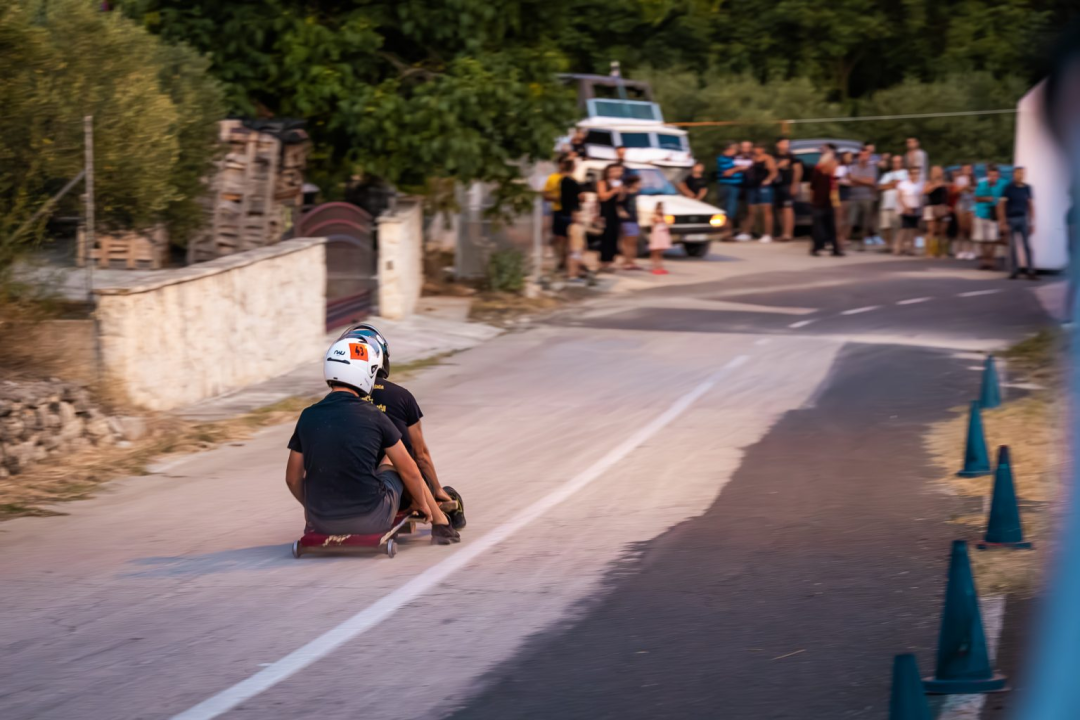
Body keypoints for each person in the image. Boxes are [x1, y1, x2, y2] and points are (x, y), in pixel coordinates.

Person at [285, 338, 460, 544]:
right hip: (372, 518)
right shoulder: (374, 415)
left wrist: (313, 509)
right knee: (390, 459)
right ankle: (439, 523)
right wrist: (421, 503)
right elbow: (410, 471)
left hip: (322, 520)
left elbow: (293, 478)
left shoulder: (307, 415)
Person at [338, 324, 468, 528]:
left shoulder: (336, 403)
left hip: (349, 491)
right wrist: (436, 489)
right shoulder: (401, 396)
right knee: (402, 460)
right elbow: (420, 455)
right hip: (403, 492)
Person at [1000, 166, 1037, 280]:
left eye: (1021, 173)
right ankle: (1014, 271)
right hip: (1011, 219)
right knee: (1012, 246)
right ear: (1013, 174)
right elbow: (1002, 205)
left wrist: (1032, 222)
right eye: (1017, 173)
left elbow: (1030, 205)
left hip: (1023, 218)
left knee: (1027, 245)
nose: (1019, 175)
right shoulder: (1008, 188)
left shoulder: (1027, 188)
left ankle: (1030, 271)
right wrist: (1003, 222)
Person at [974, 164, 1009, 270]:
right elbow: (976, 198)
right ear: (987, 175)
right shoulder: (982, 184)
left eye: (995, 175)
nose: (993, 177)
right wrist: (987, 199)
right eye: (991, 175)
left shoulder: (1003, 184)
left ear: (998, 176)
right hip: (981, 213)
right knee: (982, 240)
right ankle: (984, 261)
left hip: (994, 214)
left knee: (993, 239)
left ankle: (991, 261)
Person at [557, 158, 586, 281]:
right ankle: (573, 273)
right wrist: (576, 214)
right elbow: (581, 198)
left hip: (562, 213)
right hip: (572, 215)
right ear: (573, 167)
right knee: (575, 247)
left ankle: (569, 268)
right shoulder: (574, 182)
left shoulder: (562, 181)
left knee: (567, 244)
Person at [742, 143, 777, 243]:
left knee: (766, 210)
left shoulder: (767, 158)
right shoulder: (751, 158)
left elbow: (774, 171)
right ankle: (747, 232)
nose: (757, 150)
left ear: (763, 149)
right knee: (751, 211)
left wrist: (768, 180)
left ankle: (768, 234)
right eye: (756, 148)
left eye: (759, 148)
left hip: (764, 186)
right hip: (752, 186)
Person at [809, 151, 841, 256]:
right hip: (818, 203)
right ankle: (816, 248)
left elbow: (835, 187)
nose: (834, 163)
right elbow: (812, 187)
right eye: (832, 161)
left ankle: (835, 248)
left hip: (829, 203)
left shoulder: (832, 174)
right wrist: (812, 201)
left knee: (831, 227)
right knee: (819, 227)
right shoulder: (818, 171)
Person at [847, 147, 879, 250]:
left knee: (865, 222)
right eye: (862, 155)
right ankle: (844, 241)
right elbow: (851, 183)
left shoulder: (872, 168)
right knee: (851, 220)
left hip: (867, 197)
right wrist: (864, 181)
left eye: (866, 155)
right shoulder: (853, 167)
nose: (864, 157)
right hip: (854, 197)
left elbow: (871, 182)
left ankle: (862, 243)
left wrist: (856, 179)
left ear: (869, 156)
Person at [773, 137, 803, 242]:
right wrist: (778, 166)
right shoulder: (774, 157)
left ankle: (788, 234)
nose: (786, 146)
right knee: (780, 209)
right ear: (778, 145)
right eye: (783, 143)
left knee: (788, 208)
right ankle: (783, 233)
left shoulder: (792, 158)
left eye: (787, 144)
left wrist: (794, 185)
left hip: (788, 185)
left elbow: (798, 171)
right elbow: (770, 169)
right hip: (776, 185)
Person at [544, 156, 571, 271]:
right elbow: (545, 195)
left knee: (570, 237)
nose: (565, 165)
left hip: (571, 211)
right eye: (563, 163)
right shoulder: (552, 178)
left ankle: (567, 261)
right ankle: (560, 260)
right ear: (559, 164)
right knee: (559, 237)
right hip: (558, 210)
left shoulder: (573, 178)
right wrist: (559, 198)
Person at [596, 163, 624, 272]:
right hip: (605, 211)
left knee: (614, 235)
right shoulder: (602, 183)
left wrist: (621, 191)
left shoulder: (618, 183)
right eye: (611, 171)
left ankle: (611, 259)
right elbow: (602, 196)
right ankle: (604, 260)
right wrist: (613, 190)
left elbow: (620, 199)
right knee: (606, 236)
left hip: (614, 211)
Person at [878, 155, 908, 252]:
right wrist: (893, 184)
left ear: (902, 163)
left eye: (898, 162)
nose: (896, 164)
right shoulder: (887, 175)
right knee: (885, 226)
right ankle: (889, 244)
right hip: (886, 203)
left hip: (898, 204)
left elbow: (904, 187)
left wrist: (889, 185)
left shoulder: (905, 173)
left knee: (898, 226)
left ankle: (898, 244)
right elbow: (880, 187)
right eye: (895, 162)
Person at [896, 166, 924, 255]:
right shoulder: (903, 184)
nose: (915, 175)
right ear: (909, 174)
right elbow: (899, 197)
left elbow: (921, 197)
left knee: (913, 229)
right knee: (904, 229)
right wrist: (905, 207)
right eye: (913, 173)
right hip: (905, 208)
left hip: (915, 208)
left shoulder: (920, 184)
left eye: (917, 173)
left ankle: (911, 248)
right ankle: (898, 248)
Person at [716, 143, 742, 238]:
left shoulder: (734, 159)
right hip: (727, 186)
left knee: (732, 209)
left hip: (735, 186)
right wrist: (738, 168)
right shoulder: (722, 159)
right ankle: (726, 232)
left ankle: (729, 232)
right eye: (734, 149)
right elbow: (727, 173)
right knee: (727, 209)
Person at [922, 166, 949, 258]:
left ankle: (942, 251)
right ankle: (930, 251)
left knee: (942, 230)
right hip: (931, 206)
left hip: (942, 207)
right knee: (931, 229)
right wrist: (935, 185)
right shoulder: (929, 182)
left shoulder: (944, 182)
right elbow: (925, 191)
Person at [618, 174, 643, 269]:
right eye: (638, 183)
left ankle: (631, 260)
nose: (640, 185)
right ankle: (627, 261)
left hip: (634, 219)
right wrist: (622, 212)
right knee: (628, 241)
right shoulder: (626, 193)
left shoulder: (635, 194)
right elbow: (619, 204)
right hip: (628, 220)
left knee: (633, 242)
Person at [951, 164, 977, 260]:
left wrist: (969, 187)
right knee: (962, 228)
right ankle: (961, 250)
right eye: (965, 169)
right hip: (962, 203)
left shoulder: (974, 180)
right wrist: (963, 187)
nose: (967, 170)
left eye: (969, 169)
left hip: (971, 204)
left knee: (970, 229)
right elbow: (954, 191)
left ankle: (971, 250)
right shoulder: (959, 179)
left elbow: (975, 192)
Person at [733, 141, 755, 240]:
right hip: (738, 186)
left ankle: (747, 231)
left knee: (750, 210)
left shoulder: (754, 157)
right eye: (744, 147)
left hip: (750, 186)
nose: (746, 149)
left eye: (748, 147)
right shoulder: (735, 157)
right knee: (740, 210)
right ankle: (741, 231)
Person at [834, 151, 853, 247]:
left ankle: (844, 237)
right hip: (841, 194)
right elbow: (836, 181)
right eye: (848, 157)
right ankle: (839, 237)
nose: (850, 158)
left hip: (847, 194)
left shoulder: (849, 168)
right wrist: (848, 182)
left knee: (845, 217)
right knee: (840, 217)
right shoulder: (840, 168)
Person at [649, 202, 672, 275]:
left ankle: (660, 266)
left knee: (660, 252)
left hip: (662, 234)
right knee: (655, 251)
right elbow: (653, 224)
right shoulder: (654, 217)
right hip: (657, 234)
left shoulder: (664, 216)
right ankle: (655, 266)